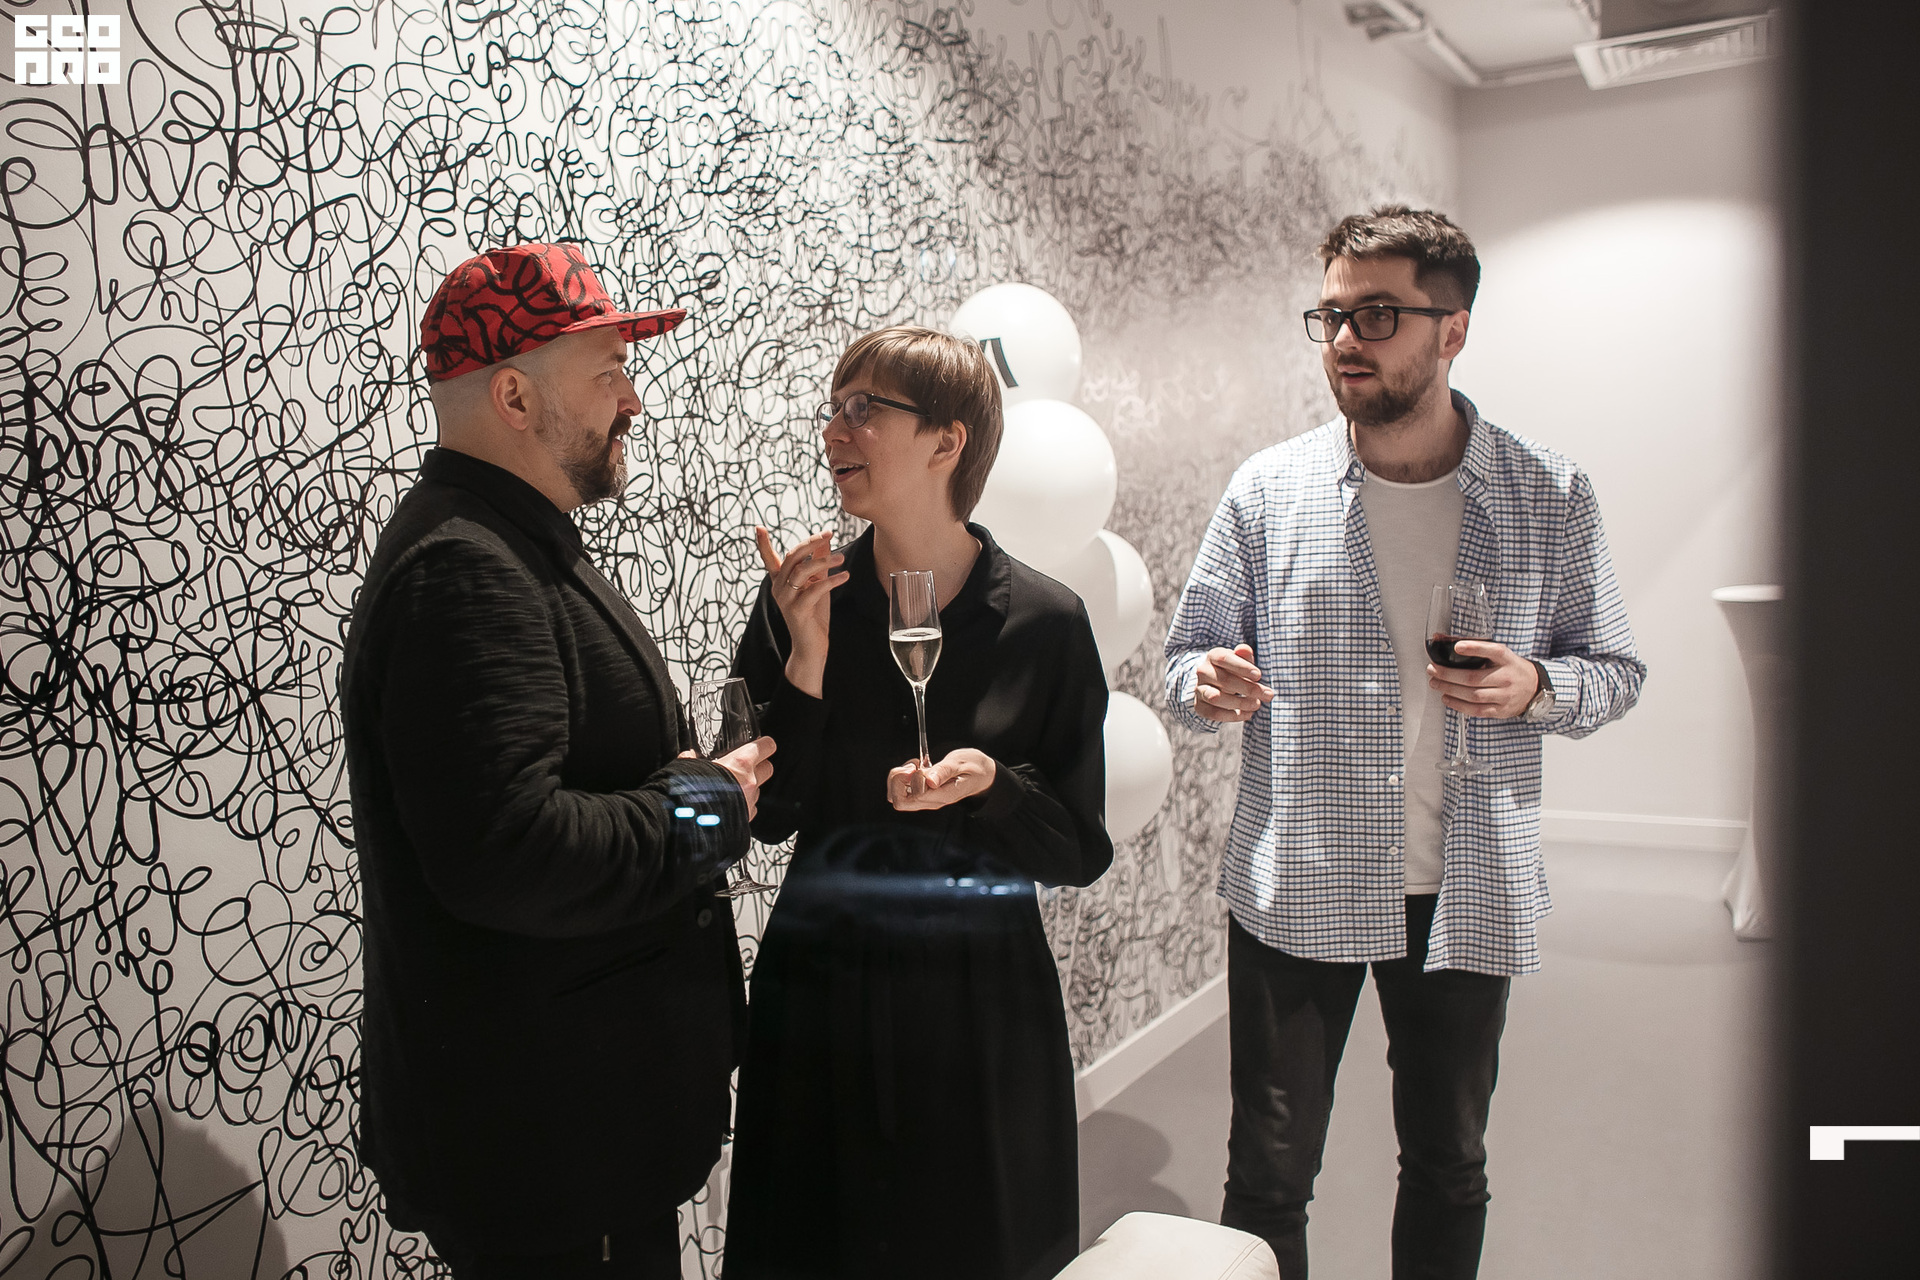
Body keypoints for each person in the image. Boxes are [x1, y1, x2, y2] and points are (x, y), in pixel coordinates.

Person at [1163, 206, 1647, 1279]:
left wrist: (1537, 685)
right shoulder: (1267, 490)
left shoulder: (1549, 492)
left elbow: (1615, 669)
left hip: (1465, 885)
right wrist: (1205, 684)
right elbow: (1184, 659)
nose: (1346, 338)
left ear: (1453, 330)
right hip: (1300, 880)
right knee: (1267, 1179)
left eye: (1378, 314)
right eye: (1332, 314)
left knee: (1447, 1164)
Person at [341, 243, 776, 1279]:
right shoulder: (468, 567)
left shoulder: (505, 541)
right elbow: (513, 850)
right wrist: (709, 799)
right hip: (551, 1149)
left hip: (574, 1134)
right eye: (608, 372)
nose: (633, 399)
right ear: (514, 397)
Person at [721, 325, 1114, 1280]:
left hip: (980, 993)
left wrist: (995, 789)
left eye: (865, 410)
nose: (835, 430)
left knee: (976, 1240)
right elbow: (769, 817)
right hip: (823, 977)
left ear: (948, 441)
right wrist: (807, 662)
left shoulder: (1046, 623)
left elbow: (1077, 850)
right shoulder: (801, 600)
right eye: (834, 408)